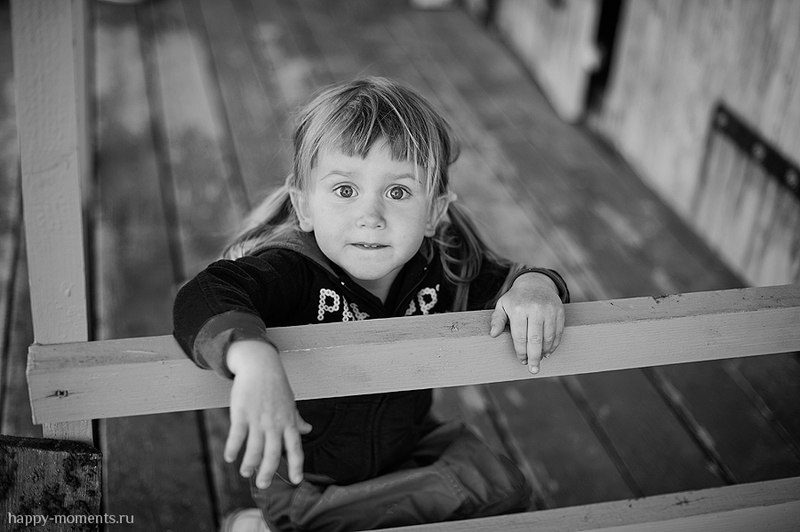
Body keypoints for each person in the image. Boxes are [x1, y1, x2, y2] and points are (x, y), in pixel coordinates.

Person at [173, 77, 569, 532]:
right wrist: (252, 358)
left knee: (506, 489)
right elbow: (204, 293)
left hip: (406, 450)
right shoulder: (290, 269)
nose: (371, 216)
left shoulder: (443, 263)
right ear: (304, 206)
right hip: (308, 479)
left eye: (398, 192)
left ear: (433, 213)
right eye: (345, 190)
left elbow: (511, 282)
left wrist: (537, 286)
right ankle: (263, 524)